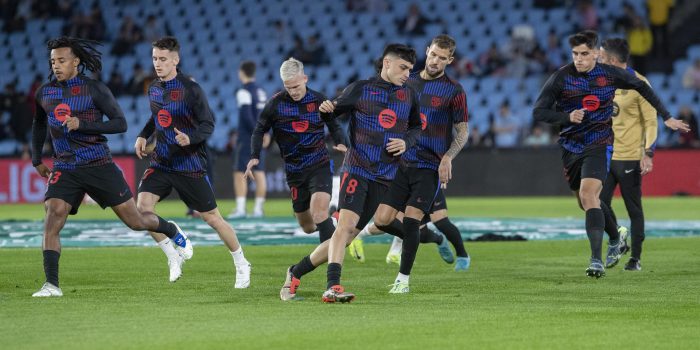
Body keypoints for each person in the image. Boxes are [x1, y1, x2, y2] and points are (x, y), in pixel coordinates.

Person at [30, 37, 192, 297]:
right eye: (53, 61)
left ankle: (170, 229)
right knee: (53, 213)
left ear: (76, 62)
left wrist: (82, 125)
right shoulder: (44, 92)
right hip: (65, 166)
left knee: (136, 222)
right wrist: (37, 159)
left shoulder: (94, 89)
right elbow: (39, 124)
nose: (56, 65)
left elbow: (120, 124)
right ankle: (51, 285)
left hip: (99, 164)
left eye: (61, 60)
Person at [533, 30, 689, 278]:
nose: (579, 59)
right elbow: (539, 112)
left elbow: (642, 87)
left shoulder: (609, 75)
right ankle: (616, 236)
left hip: (600, 143)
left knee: (589, 195)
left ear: (596, 54)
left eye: (585, 54)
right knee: (585, 201)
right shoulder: (561, 77)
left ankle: (596, 260)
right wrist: (566, 117)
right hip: (571, 147)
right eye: (575, 54)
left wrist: (667, 117)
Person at [279, 44, 421, 303]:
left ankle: (295, 271)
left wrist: (406, 143)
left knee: (346, 236)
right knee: (344, 227)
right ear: (387, 63)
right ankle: (333, 286)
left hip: (384, 176)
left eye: (410, 70)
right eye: (403, 68)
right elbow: (332, 110)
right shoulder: (362, 89)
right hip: (357, 168)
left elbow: (416, 127)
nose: (407, 74)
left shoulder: (409, 95)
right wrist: (327, 111)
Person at [348, 35, 471, 285]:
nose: (435, 61)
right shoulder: (406, 80)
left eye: (442, 58)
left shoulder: (454, 90)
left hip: (429, 166)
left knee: (413, 220)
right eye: (433, 54)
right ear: (427, 51)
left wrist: (448, 158)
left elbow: (463, 131)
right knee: (382, 220)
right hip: (400, 163)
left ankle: (402, 280)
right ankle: (433, 238)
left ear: (450, 60)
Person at [134, 36, 251, 286]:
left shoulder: (191, 89)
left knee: (213, 218)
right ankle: (172, 253)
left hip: (189, 164)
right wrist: (143, 135)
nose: (157, 63)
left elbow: (208, 124)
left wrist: (191, 138)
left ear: (175, 60)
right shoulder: (153, 88)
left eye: (163, 59)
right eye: (155, 58)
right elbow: (157, 117)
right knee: (142, 212)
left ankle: (241, 263)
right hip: (161, 162)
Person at [244, 58, 346, 243]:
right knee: (307, 226)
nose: (293, 91)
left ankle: (332, 267)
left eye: (296, 86)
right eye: (288, 87)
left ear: (305, 78)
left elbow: (334, 124)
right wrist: (254, 156)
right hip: (294, 171)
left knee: (319, 214)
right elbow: (259, 129)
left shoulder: (318, 100)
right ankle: (334, 222)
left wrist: (341, 142)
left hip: (319, 164)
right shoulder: (275, 104)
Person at [598, 38, 658, 271]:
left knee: (633, 208)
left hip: (630, 156)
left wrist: (648, 153)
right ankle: (618, 237)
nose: (598, 59)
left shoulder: (639, 84)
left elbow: (651, 121)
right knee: (598, 201)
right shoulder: (602, 82)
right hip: (605, 154)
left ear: (612, 60)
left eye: (602, 56)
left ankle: (636, 259)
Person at [229, 61, 268, 219]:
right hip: (261, 137)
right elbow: (266, 116)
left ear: (241, 72)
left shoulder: (243, 92)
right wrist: (266, 134)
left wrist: (257, 133)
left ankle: (241, 209)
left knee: (239, 172)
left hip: (247, 138)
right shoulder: (261, 92)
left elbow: (246, 116)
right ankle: (258, 210)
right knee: (260, 172)